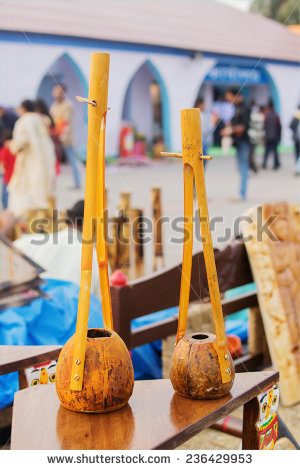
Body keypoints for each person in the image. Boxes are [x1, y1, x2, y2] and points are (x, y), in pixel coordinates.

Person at [13, 200, 106, 297]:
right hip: (72, 310)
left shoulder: (29, 242)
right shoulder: (97, 261)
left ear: (68, 220)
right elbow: (101, 304)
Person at [8, 99, 56, 218]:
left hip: (29, 163)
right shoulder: (42, 119)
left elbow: (19, 144)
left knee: (27, 196)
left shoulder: (23, 121)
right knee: (42, 193)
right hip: (45, 161)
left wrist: (11, 145)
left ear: (23, 109)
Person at [50, 83, 81, 188]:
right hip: (55, 139)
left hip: (66, 138)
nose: (55, 93)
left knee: (72, 161)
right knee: (53, 162)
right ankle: (52, 184)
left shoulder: (67, 105)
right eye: (55, 90)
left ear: (63, 93)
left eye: (58, 91)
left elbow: (65, 123)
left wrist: (62, 135)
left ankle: (77, 183)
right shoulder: (54, 106)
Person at [223, 88, 251, 201]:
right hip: (238, 143)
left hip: (244, 142)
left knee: (243, 168)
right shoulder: (236, 108)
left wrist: (230, 130)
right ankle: (241, 193)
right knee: (240, 168)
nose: (228, 100)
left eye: (229, 98)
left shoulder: (245, 108)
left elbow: (243, 127)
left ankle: (242, 194)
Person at [262, 100, 281, 170]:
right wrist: (279, 137)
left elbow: (264, 127)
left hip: (268, 136)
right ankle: (275, 165)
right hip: (275, 136)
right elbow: (279, 127)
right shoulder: (276, 115)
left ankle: (264, 164)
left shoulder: (266, 115)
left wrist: (264, 137)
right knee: (275, 151)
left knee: (266, 151)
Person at [0, 129, 16, 209]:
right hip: (16, 175)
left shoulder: (5, 150)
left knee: (5, 193)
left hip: (8, 176)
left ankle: (6, 207)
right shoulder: (16, 149)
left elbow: (2, 163)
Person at [248, 102, 265, 173]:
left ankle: (253, 168)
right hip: (252, 138)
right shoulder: (258, 116)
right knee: (251, 154)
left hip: (253, 138)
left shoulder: (254, 116)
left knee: (251, 154)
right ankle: (252, 168)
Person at [289, 105, 300, 175]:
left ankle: (297, 167)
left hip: (296, 138)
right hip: (297, 137)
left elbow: (290, 125)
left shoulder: (295, 116)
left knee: (297, 153)